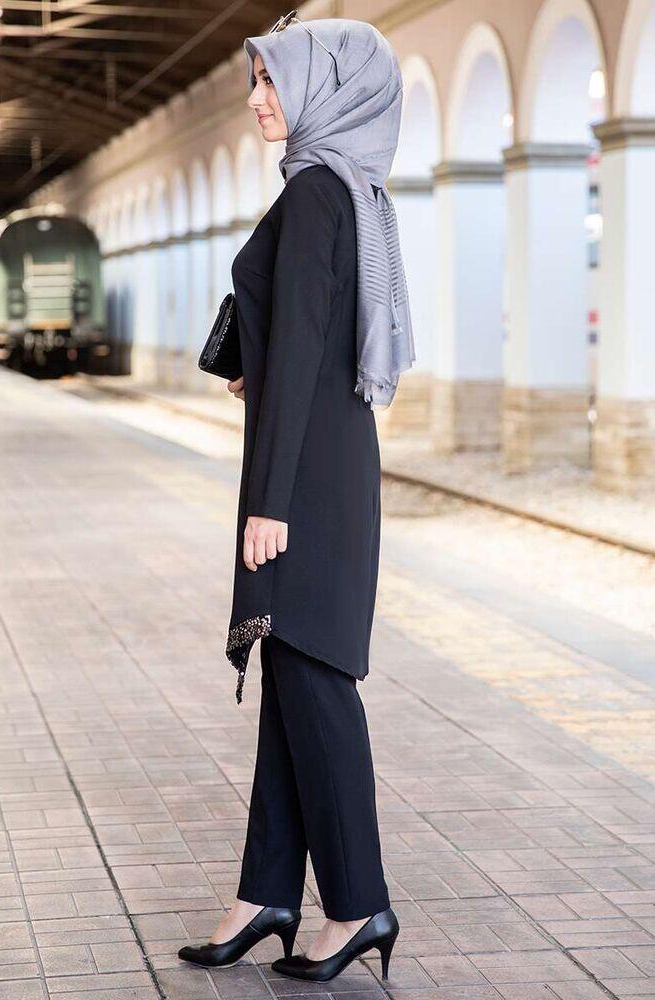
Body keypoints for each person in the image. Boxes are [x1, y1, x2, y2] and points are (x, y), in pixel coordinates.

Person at [178, 11, 415, 984]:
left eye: (271, 79)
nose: (255, 99)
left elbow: (312, 345)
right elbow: (299, 332)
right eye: (255, 80)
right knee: (292, 675)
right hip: (323, 456)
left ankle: (358, 902)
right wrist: (257, 363)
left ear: (327, 89)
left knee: (316, 683)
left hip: (306, 477)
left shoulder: (319, 191)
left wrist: (268, 504)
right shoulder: (338, 188)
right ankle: (266, 893)